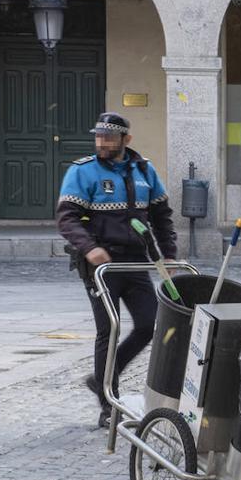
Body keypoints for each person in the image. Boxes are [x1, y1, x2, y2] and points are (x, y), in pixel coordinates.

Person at [57, 112, 177, 428]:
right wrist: (90, 248)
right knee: (108, 330)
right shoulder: (82, 172)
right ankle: (107, 404)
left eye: (109, 138)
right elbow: (67, 219)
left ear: (126, 140)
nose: (102, 143)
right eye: (98, 137)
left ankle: (101, 379)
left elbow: (162, 219)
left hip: (135, 262)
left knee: (148, 324)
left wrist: (169, 259)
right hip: (102, 265)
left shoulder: (144, 170)